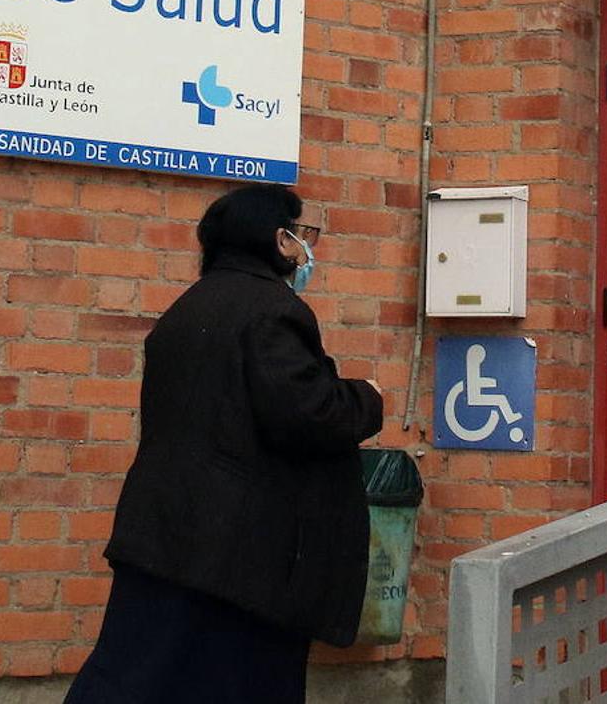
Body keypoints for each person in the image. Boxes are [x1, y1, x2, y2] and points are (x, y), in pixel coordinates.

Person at [64, 185, 383, 704]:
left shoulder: (188, 308)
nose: (306, 247)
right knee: (241, 681)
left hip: (167, 536)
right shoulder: (271, 311)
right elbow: (307, 412)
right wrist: (366, 398)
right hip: (239, 555)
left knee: (136, 675)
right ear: (278, 239)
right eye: (301, 234)